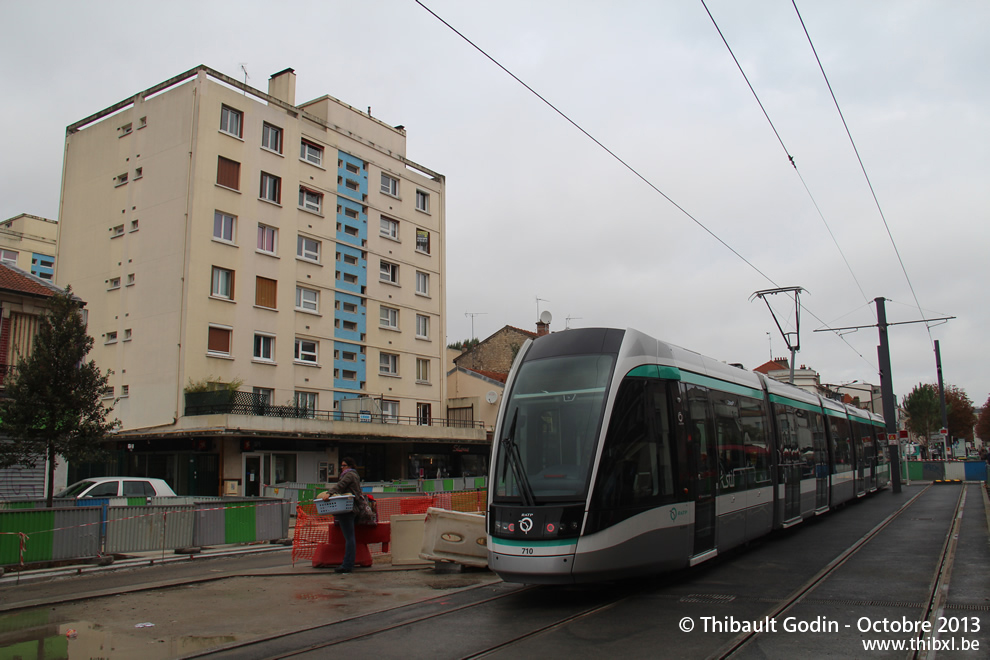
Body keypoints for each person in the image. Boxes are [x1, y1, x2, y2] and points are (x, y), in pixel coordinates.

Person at [321, 457, 362, 573]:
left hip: (347, 509)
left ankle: (347, 565)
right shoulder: (354, 475)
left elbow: (340, 485)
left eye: (343, 465)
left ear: (349, 466)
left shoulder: (349, 475)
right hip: (352, 509)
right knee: (350, 537)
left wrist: (329, 493)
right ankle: (348, 563)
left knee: (349, 538)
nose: (341, 467)